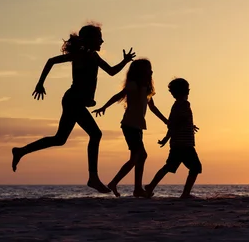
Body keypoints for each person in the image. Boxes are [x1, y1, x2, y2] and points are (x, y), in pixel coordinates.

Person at [11, 23, 135, 193]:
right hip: (73, 100)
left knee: (59, 139)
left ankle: (20, 151)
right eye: (99, 38)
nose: (102, 41)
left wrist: (125, 61)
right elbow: (51, 61)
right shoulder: (81, 55)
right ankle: (93, 178)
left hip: (73, 101)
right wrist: (40, 83)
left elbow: (112, 71)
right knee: (95, 134)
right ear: (89, 39)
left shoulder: (94, 56)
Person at [92, 59, 168, 197]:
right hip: (129, 125)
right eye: (148, 69)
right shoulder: (133, 85)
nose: (151, 72)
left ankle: (137, 188)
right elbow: (118, 96)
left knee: (140, 156)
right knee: (139, 156)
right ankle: (116, 183)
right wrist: (104, 107)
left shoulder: (147, 88)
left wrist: (166, 121)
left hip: (138, 126)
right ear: (140, 72)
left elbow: (152, 108)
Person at [145, 78, 201, 199]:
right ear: (187, 91)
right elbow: (176, 123)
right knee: (195, 167)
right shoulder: (184, 104)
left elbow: (173, 124)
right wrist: (168, 136)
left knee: (169, 166)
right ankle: (185, 194)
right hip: (184, 144)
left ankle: (150, 186)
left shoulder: (176, 106)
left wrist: (167, 138)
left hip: (177, 143)